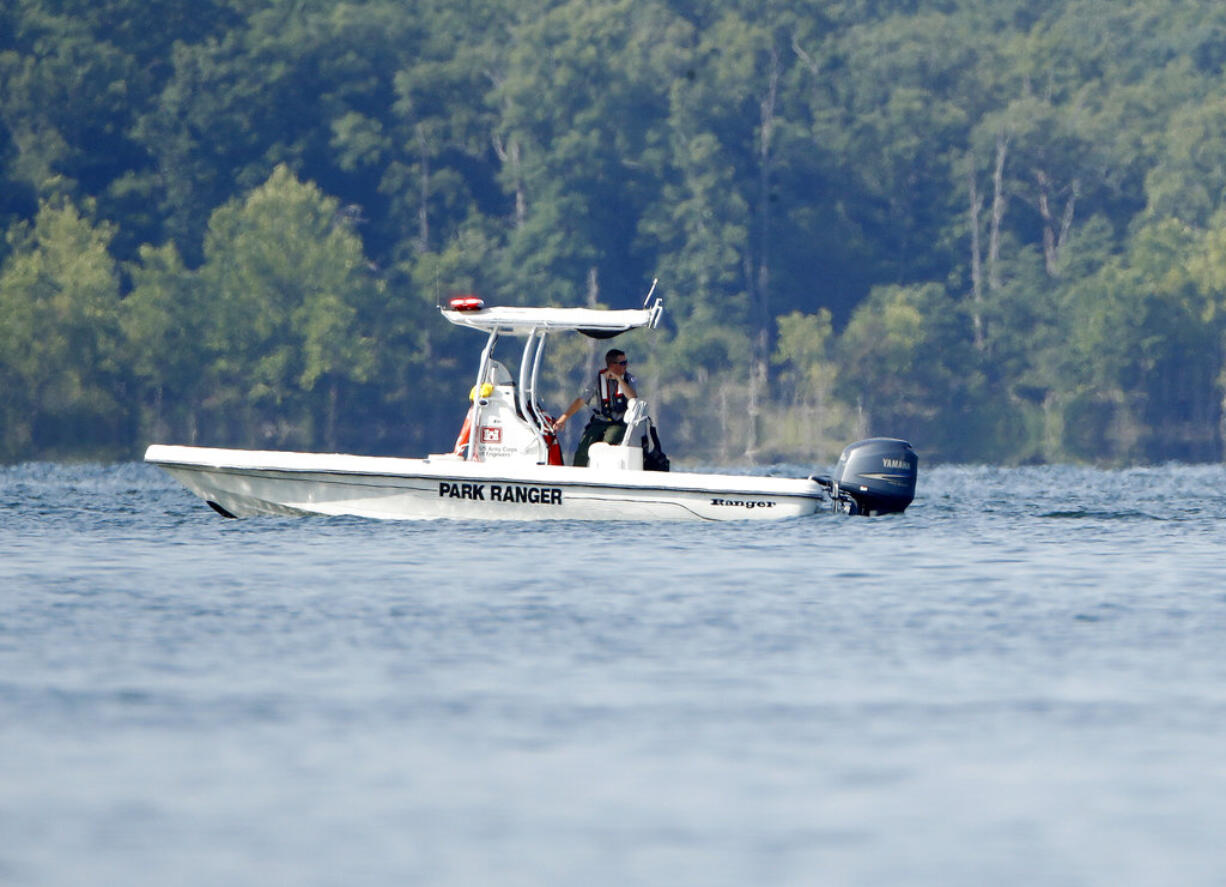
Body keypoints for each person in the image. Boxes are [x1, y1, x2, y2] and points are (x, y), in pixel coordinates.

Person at [552, 349, 638, 467]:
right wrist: (563, 418)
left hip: (618, 422)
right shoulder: (598, 379)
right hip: (600, 421)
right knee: (583, 449)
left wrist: (619, 379)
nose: (626, 365)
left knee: (607, 444)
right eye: (623, 363)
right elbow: (581, 400)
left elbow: (632, 397)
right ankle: (577, 475)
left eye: (626, 362)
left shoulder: (630, 379)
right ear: (612, 365)